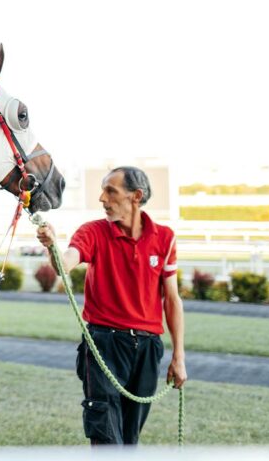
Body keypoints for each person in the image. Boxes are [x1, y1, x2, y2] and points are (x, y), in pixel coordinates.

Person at [36, 166, 187, 445]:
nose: (102, 199)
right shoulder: (92, 232)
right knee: (106, 434)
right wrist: (52, 246)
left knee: (129, 438)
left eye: (111, 191)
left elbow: (172, 300)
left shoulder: (165, 238)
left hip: (148, 348)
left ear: (136, 196)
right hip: (103, 345)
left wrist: (178, 357)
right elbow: (64, 264)